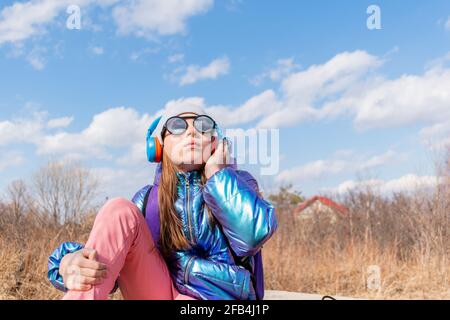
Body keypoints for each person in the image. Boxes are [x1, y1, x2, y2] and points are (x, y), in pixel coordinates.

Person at [47, 104, 278, 300]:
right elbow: (112, 267)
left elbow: (252, 235)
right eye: (178, 126)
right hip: (159, 291)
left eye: (203, 126)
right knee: (118, 209)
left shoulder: (239, 183)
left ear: (215, 143)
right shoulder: (147, 200)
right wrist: (67, 263)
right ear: (159, 146)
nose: (191, 133)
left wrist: (217, 174)